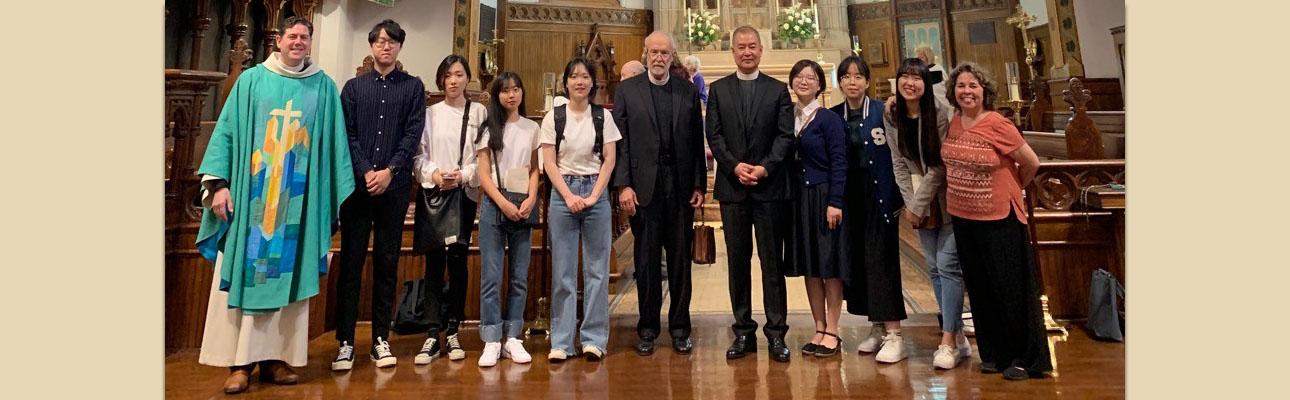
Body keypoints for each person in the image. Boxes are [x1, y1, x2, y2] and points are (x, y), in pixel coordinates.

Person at [194, 16, 354, 394]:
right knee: (250, 271)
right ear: (278, 40)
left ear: (311, 42)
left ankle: (277, 359)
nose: (298, 42)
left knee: (290, 275)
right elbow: (227, 132)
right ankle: (240, 363)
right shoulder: (251, 81)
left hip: (297, 199)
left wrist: (330, 199)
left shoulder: (324, 88)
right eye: (292, 36)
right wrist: (218, 185)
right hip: (254, 196)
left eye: (305, 37)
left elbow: (334, 149)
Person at [940, 62, 1049, 380]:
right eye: (961, 86)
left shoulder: (998, 123)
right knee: (980, 287)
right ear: (954, 92)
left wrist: (1013, 188)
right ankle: (993, 353)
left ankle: (1021, 357)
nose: (967, 91)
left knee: (1009, 288)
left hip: (999, 216)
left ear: (984, 91)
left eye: (973, 85)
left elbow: (1030, 162)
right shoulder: (955, 122)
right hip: (963, 216)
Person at [332, 19, 425, 372]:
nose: (385, 47)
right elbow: (347, 134)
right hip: (357, 188)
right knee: (351, 263)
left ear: (400, 47)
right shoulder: (353, 88)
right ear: (371, 46)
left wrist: (389, 171)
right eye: (380, 41)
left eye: (392, 42)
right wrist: (367, 171)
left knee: (387, 263)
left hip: (394, 188)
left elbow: (413, 132)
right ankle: (344, 342)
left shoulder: (413, 87)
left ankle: (380, 340)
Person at [704, 25, 795, 363]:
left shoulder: (777, 90)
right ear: (732, 51)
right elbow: (713, 135)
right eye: (741, 46)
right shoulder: (718, 89)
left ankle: (776, 334)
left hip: (768, 188)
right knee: (738, 264)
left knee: (772, 264)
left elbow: (786, 136)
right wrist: (734, 166)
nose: (746, 51)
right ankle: (743, 331)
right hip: (733, 189)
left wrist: (764, 168)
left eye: (752, 46)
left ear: (761, 50)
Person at [612, 32, 706, 357]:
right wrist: (623, 185)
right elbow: (620, 143)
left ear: (672, 56)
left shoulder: (687, 90)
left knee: (680, 262)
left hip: (680, 188)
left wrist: (699, 184)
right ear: (646, 53)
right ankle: (648, 328)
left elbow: (697, 140)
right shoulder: (627, 91)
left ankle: (680, 328)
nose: (658, 57)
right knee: (647, 262)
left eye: (664, 52)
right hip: (643, 190)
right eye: (653, 52)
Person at [883, 57, 968, 367]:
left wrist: (917, 204)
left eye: (916, 77)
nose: (910, 82)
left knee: (948, 265)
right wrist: (910, 203)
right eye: (904, 76)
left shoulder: (940, 112)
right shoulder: (892, 114)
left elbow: (940, 164)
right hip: (918, 200)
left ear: (925, 82)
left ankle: (947, 342)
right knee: (934, 267)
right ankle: (954, 332)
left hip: (948, 197)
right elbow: (898, 163)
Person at [826, 56, 911, 363]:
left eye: (858, 76)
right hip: (849, 200)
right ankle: (876, 326)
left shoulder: (882, 111)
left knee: (882, 262)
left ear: (867, 81)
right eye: (846, 76)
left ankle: (895, 333)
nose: (852, 82)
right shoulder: (833, 115)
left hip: (879, 196)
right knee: (860, 264)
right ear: (839, 82)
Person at [541, 57, 621, 363]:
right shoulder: (554, 117)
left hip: (596, 194)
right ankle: (561, 341)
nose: (579, 81)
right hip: (563, 193)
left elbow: (609, 161)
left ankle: (593, 338)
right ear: (565, 83)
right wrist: (568, 195)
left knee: (597, 270)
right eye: (574, 76)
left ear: (593, 83)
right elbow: (549, 162)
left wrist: (594, 196)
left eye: (585, 76)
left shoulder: (603, 117)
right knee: (563, 271)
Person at [412, 54, 487, 364]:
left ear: (467, 78)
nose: (453, 80)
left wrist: (463, 176)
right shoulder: (429, 114)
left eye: (459, 74)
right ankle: (432, 332)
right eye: (448, 75)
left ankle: (454, 329)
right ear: (441, 79)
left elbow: (484, 157)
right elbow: (417, 156)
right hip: (433, 195)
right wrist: (434, 174)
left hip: (463, 195)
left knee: (457, 261)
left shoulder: (479, 111)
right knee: (433, 263)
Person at [780, 59, 848, 358]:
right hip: (797, 200)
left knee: (829, 266)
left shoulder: (829, 119)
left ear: (820, 84)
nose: (804, 81)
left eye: (810, 77)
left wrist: (835, 202)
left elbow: (839, 162)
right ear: (792, 82)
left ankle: (833, 329)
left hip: (823, 198)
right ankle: (818, 327)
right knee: (810, 266)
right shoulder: (787, 117)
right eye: (799, 76)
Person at [473, 72, 540, 367]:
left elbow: (536, 169)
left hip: (523, 203)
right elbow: (483, 175)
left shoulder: (532, 128)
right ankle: (491, 338)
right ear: (497, 95)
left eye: (516, 89)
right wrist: (502, 203)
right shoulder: (489, 128)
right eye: (505, 90)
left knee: (519, 276)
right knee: (491, 275)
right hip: (494, 205)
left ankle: (513, 336)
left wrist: (531, 199)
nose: (511, 95)